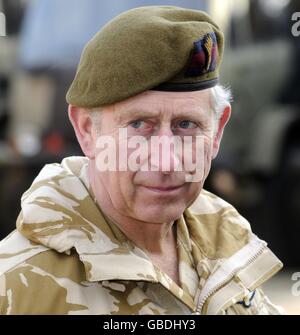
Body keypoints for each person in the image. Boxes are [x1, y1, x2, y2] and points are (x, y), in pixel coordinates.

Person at [0, 6, 284, 315]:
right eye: (139, 125)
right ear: (86, 129)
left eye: (186, 125)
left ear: (216, 133)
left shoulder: (228, 252)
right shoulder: (15, 287)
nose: (166, 161)